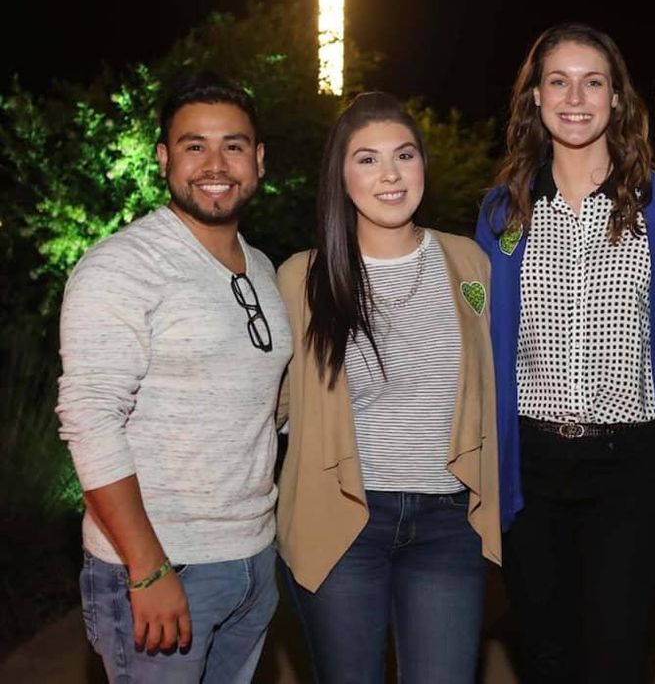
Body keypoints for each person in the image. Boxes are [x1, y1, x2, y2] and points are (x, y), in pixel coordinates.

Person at [476, 23, 655, 683]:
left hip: (627, 468)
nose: (576, 97)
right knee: (544, 657)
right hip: (531, 466)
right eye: (558, 80)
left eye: (592, 81)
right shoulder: (500, 213)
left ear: (617, 98)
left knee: (614, 660)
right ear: (536, 98)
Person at [56, 71, 292, 682]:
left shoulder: (262, 268)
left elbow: (266, 404)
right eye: (194, 146)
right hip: (164, 570)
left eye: (233, 145)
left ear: (258, 160)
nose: (216, 164)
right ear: (164, 159)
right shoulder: (123, 266)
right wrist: (148, 566)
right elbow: (89, 419)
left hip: (251, 562)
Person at [275, 91, 501, 684]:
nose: (391, 175)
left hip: (449, 523)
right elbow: (268, 405)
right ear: (341, 175)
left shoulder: (470, 264)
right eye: (368, 159)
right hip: (343, 520)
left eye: (404, 155)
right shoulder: (304, 277)